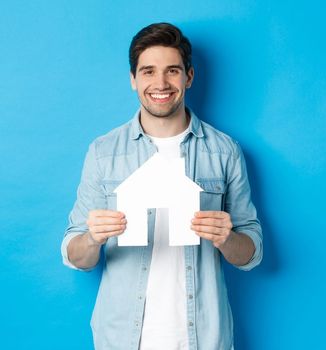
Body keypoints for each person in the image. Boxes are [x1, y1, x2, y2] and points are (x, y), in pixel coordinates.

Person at [61, 22, 262, 350]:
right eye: (148, 71)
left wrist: (228, 239)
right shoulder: (103, 152)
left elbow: (251, 253)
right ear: (133, 79)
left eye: (172, 70)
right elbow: (75, 255)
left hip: (204, 339)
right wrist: (92, 238)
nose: (160, 83)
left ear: (189, 77)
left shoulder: (225, 151)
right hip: (121, 339)